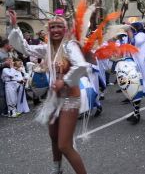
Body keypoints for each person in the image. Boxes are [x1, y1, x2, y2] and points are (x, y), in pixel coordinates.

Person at [7, 10, 88, 174]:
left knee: (64, 144)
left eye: (59, 26)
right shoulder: (48, 48)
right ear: (48, 30)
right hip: (53, 100)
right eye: (53, 27)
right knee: (53, 137)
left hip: (70, 100)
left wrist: (64, 81)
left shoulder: (70, 46)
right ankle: (57, 168)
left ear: (65, 30)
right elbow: (26, 48)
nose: (56, 30)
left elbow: (81, 66)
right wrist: (15, 25)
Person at [126, 22, 145, 124]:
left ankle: (137, 115)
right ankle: (135, 113)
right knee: (133, 89)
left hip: (140, 66)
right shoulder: (134, 35)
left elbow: (134, 42)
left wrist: (129, 31)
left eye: (131, 28)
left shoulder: (141, 35)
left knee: (137, 89)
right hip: (133, 65)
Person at [0, 39, 13, 116]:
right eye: (10, 44)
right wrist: (4, 63)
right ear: (6, 45)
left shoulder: (8, 53)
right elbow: (3, 64)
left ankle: (7, 110)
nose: (11, 46)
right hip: (0, 77)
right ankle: (3, 111)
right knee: (2, 94)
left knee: (6, 93)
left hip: (7, 77)